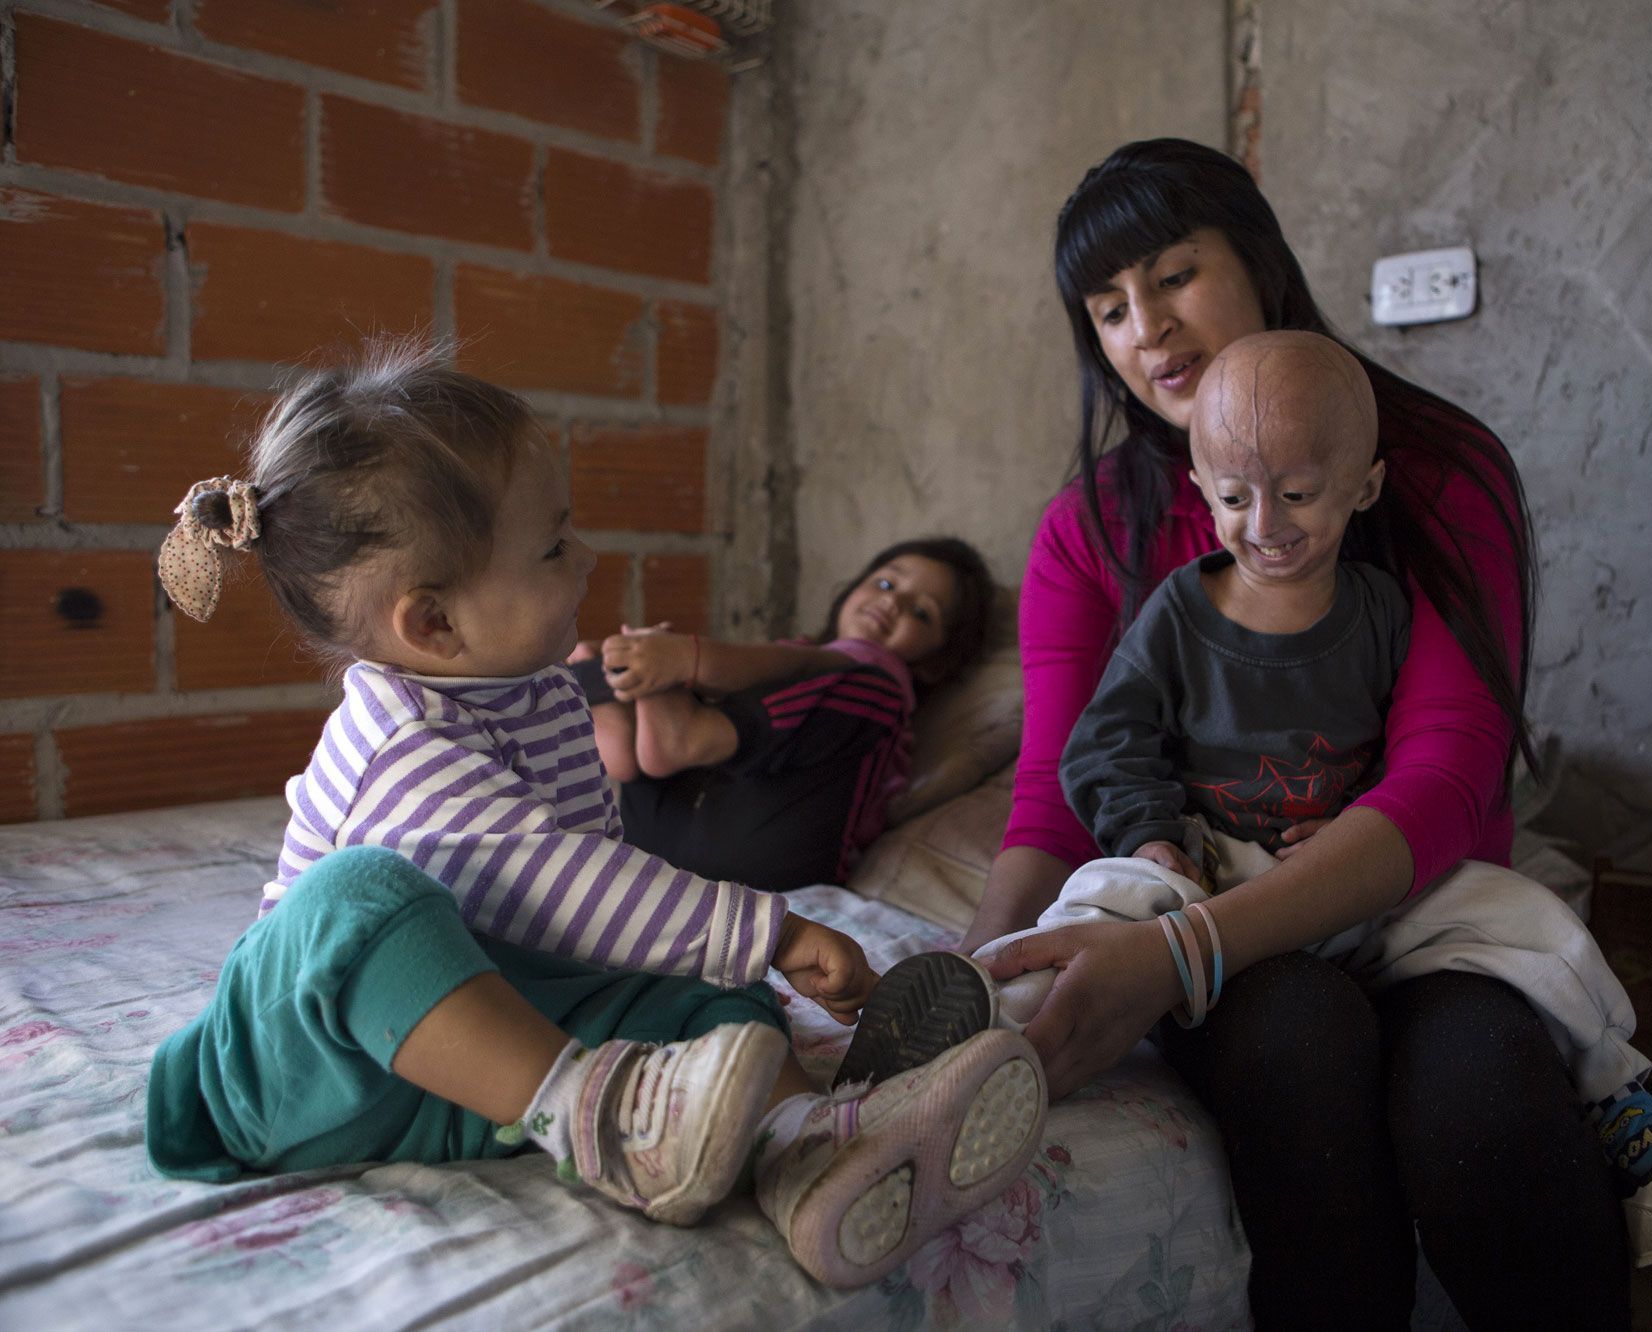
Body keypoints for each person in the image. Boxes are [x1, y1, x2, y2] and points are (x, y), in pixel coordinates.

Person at [947, 137, 1652, 1326]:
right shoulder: (1089, 530)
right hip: (1225, 922)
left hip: (1414, 906)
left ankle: (1647, 1157)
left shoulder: (1439, 471)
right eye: (1107, 308)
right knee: (1294, 1039)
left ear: (1256, 261)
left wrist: (1176, 956)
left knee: (1481, 1100)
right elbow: (1055, 785)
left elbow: (1445, 781)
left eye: (1172, 274)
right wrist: (968, 991)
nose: (1144, 326)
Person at [142, 341, 1046, 1291]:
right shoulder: (398, 743)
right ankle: (603, 1116)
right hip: (307, 1067)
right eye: (553, 545)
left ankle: (812, 1156)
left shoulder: (530, 690)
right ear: (436, 625)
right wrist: (765, 931)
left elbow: (579, 889)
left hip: (462, 1073)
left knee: (715, 1003)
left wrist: (709, 975)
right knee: (360, 897)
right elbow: (564, 878)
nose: (590, 554)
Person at [568, 537, 994, 889]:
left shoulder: (883, 677)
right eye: (885, 584)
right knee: (693, 683)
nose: (893, 603)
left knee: (866, 687)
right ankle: (639, 722)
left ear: (936, 660)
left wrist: (683, 659)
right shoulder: (799, 655)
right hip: (672, 834)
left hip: (779, 851)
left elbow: (795, 666)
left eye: (921, 612)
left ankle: (651, 711)